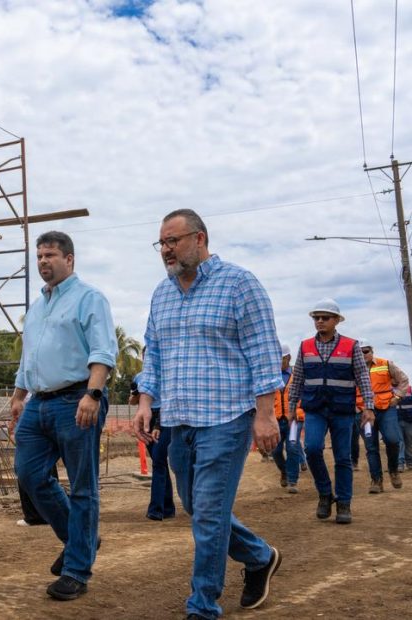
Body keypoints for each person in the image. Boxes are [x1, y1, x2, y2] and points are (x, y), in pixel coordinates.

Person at [133, 209, 283, 618]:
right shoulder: (162, 294)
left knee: (210, 513)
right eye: (161, 243)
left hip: (227, 418)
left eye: (173, 241)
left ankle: (202, 604)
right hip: (179, 419)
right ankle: (259, 557)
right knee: (197, 508)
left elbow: (263, 351)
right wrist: (145, 402)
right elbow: (153, 353)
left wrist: (265, 414)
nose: (166, 250)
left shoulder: (239, 283)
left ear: (199, 238)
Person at [11, 231, 117, 601]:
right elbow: (29, 357)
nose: (43, 261)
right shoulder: (37, 307)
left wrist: (93, 393)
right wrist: (18, 396)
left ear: (69, 259)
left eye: (50, 255)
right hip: (38, 403)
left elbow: (103, 351)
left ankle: (76, 570)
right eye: (39, 256)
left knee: (83, 486)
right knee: (29, 475)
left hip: (77, 400)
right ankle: (79, 539)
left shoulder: (89, 298)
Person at [287, 299, 374, 525]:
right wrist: (291, 407)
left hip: (342, 409)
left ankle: (344, 503)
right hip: (314, 408)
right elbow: (298, 378)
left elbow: (363, 377)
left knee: (343, 457)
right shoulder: (305, 346)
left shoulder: (351, 346)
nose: (320, 321)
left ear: (336, 320)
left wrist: (368, 407)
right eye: (316, 318)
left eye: (325, 317)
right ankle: (325, 494)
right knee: (312, 449)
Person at [354, 340, 408, 492]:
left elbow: (403, 380)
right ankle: (376, 481)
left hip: (386, 409)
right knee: (371, 447)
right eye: (360, 352)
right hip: (363, 411)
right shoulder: (352, 369)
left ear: (372, 351)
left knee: (393, 440)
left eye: (366, 351)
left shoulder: (386, 364)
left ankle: (393, 470)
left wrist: (397, 397)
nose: (363, 354)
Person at [129, 348, 175, 520]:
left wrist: (158, 424)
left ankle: (156, 509)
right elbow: (133, 401)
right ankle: (168, 508)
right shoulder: (139, 377)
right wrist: (136, 393)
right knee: (159, 461)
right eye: (146, 355)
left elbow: (169, 400)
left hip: (165, 417)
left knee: (158, 460)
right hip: (146, 419)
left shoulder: (167, 375)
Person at [271, 344, 305, 493]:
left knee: (292, 447)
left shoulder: (298, 375)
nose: (278, 362)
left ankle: (292, 481)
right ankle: (284, 471)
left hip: (294, 420)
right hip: (276, 420)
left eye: (281, 358)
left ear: (289, 358)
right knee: (276, 451)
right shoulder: (271, 377)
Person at [397, 387, 412, 473]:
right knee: (400, 442)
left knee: (409, 441)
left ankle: (409, 462)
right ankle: (400, 463)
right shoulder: (392, 390)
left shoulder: (409, 389)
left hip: (409, 421)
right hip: (397, 421)